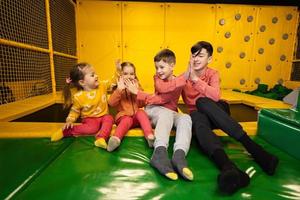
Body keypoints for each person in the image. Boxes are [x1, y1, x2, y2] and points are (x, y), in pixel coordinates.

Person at [182, 41, 279, 194]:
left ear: (209, 59)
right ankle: (228, 168)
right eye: (193, 55)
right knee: (197, 119)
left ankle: (256, 150)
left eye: (200, 55)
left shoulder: (213, 73)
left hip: (218, 110)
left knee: (202, 102)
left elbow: (215, 95)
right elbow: (168, 92)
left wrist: (195, 80)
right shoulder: (184, 77)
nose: (196, 59)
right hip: (202, 117)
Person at [125, 49, 193, 181]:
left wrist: (187, 79)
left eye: (162, 67)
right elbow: (162, 94)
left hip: (171, 112)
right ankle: (159, 154)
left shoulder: (179, 80)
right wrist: (185, 77)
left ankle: (179, 155)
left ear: (172, 65)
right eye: (156, 67)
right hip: (154, 110)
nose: (158, 71)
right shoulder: (158, 78)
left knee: (186, 118)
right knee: (166, 114)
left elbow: (187, 97)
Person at [51, 62, 119, 150]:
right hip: (90, 119)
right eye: (92, 75)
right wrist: (70, 120)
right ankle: (66, 131)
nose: (96, 76)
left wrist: (118, 70)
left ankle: (101, 138)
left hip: (103, 116)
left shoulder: (102, 86)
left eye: (95, 74)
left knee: (109, 118)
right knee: (92, 129)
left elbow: (112, 82)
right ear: (82, 82)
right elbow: (74, 111)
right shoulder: (79, 97)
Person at [107, 61, 155, 152]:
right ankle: (115, 139)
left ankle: (150, 136)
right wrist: (119, 90)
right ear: (121, 76)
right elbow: (111, 103)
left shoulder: (137, 85)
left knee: (141, 112)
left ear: (135, 75)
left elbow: (142, 104)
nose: (129, 76)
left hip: (136, 118)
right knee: (127, 119)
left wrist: (137, 92)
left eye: (132, 74)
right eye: (125, 74)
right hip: (123, 117)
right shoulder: (118, 87)